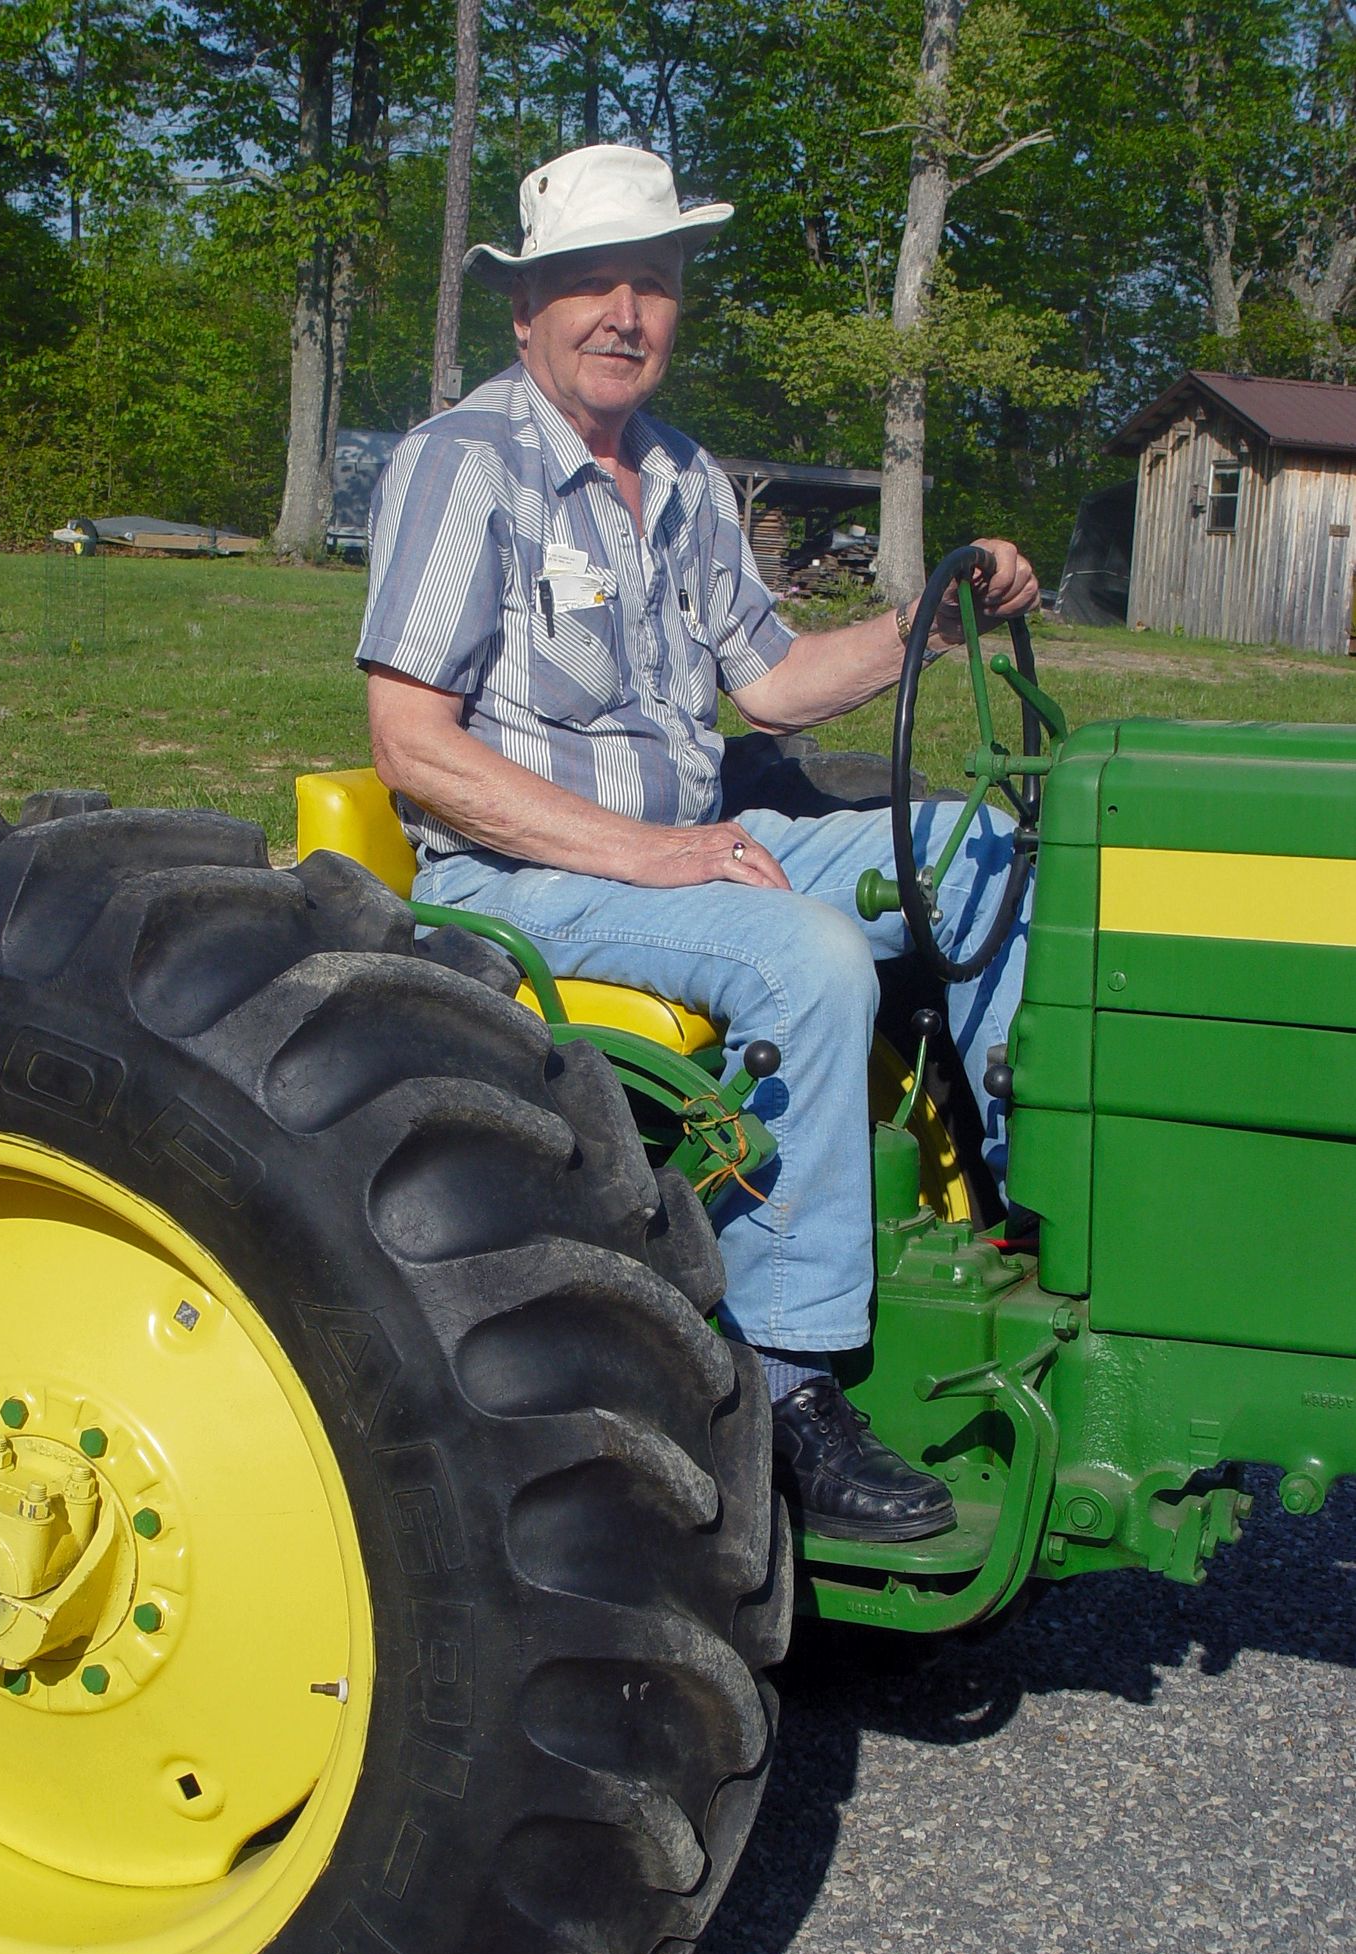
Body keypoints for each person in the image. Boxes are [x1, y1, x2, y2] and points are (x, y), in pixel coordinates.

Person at [358, 143, 1039, 1544]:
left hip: (685, 848)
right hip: (523, 878)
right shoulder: (462, 467)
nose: (626, 314)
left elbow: (771, 684)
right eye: (592, 284)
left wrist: (927, 621)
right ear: (526, 308)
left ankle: (1018, 1210)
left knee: (980, 847)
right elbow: (413, 748)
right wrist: (652, 853)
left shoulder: (680, 475)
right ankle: (790, 1385)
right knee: (810, 954)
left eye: (654, 284)